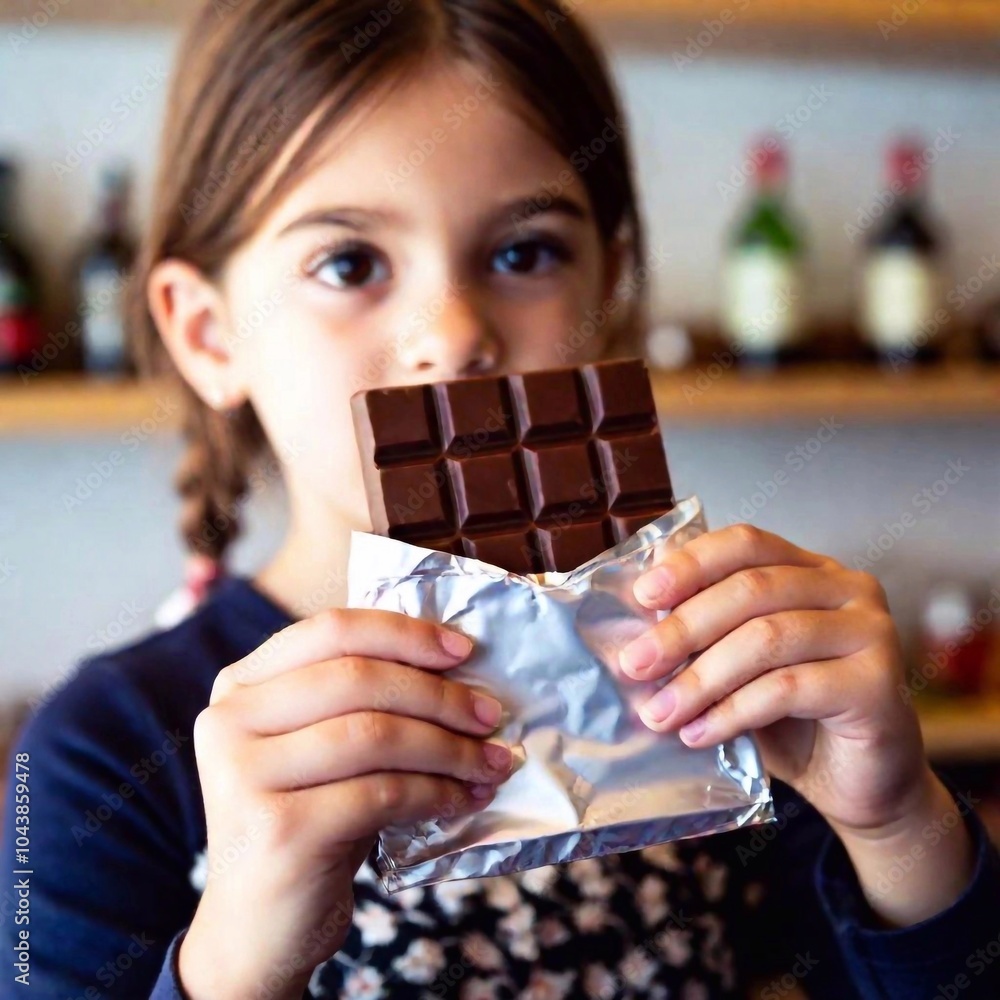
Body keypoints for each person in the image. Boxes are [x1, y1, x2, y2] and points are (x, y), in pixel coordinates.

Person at [3, 1, 998, 997]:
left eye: (524, 252)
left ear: (610, 287)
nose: (453, 331)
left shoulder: (700, 676)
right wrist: (236, 959)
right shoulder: (103, 755)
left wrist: (899, 824)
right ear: (209, 332)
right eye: (348, 263)